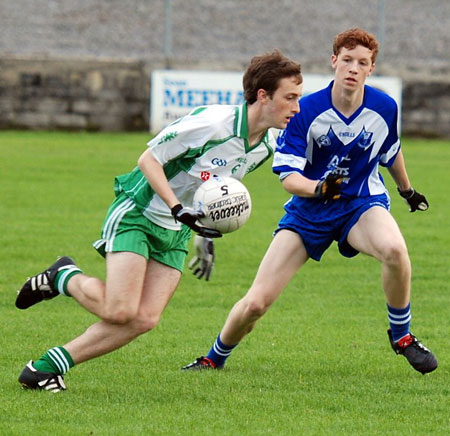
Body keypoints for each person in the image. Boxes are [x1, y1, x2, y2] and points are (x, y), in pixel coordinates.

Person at [15, 50, 304, 392]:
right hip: (139, 212)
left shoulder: (263, 148)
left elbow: (212, 190)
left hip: (176, 230)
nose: (296, 108)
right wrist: (175, 207)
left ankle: (44, 368)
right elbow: (148, 159)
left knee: (145, 319)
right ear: (262, 95)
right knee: (119, 310)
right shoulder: (212, 124)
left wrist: (203, 234)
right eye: (290, 98)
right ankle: (63, 275)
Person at [183, 28, 438, 375]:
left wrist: (406, 190)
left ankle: (402, 336)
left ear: (371, 68)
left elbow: (390, 152)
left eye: (362, 62)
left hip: (360, 205)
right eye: (347, 60)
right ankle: (214, 358)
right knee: (257, 303)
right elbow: (289, 177)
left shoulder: (384, 108)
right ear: (334, 61)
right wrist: (319, 189)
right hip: (308, 213)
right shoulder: (305, 111)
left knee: (395, 250)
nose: (353, 68)